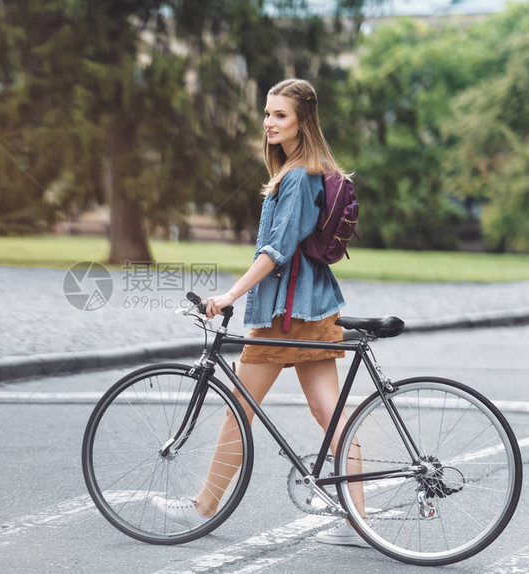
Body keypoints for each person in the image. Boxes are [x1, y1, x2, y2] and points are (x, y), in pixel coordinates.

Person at [151, 78, 367, 547]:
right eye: (267, 114)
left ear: (303, 120)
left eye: (280, 115)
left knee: (239, 408)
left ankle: (205, 506)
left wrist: (229, 296)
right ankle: (359, 519)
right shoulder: (305, 170)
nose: (269, 123)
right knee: (328, 412)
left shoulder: (296, 177)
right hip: (311, 309)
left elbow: (276, 251)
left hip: (285, 314)